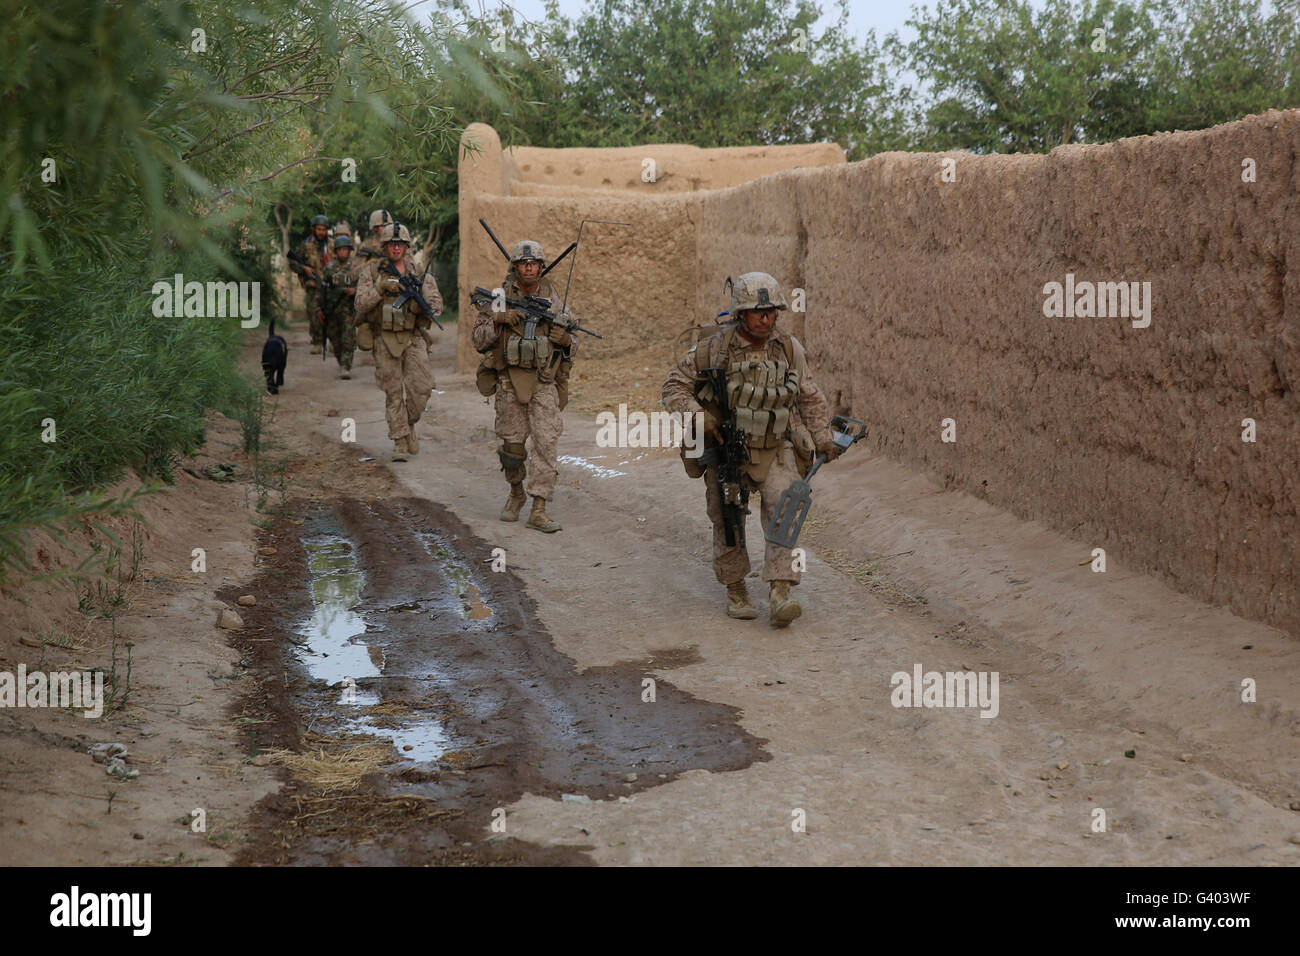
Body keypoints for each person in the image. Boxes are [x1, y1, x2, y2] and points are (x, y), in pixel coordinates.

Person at [661, 272, 839, 627]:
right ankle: (736, 587)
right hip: (727, 446)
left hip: (775, 445)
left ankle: (780, 591)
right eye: (759, 312)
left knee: (786, 506)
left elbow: (809, 395)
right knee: (727, 516)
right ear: (741, 313)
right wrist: (700, 417)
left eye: (772, 311)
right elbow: (672, 389)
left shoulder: (788, 348)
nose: (766, 319)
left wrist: (822, 436)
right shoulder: (712, 350)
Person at [471, 240, 577, 532]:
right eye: (523, 263)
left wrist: (566, 339)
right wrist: (498, 321)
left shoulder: (554, 301)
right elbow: (478, 340)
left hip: (544, 382)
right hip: (508, 381)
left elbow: (575, 341)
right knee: (512, 450)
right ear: (515, 267)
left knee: (546, 444)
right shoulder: (499, 298)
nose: (529, 267)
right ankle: (516, 492)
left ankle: (539, 507)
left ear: (541, 267)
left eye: (534, 263)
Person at [353, 221, 442, 460]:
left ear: (406, 246)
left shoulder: (418, 271)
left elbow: (436, 303)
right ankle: (400, 441)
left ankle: (409, 423)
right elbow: (360, 304)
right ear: (384, 246)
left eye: (400, 244)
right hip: (384, 338)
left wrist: (423, 308)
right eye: (391, 244)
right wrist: (380, 289)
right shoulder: (372, 272)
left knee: (422, 389)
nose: (395, 248)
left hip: (413, 337)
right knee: (393, 392)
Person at [289, 214, 331, 354]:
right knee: (314, 314)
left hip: (330, 285)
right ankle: (317, 341)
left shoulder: (331, 245)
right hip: (313, 285)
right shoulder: (306, 245)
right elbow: (293, 262)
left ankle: (331, 340)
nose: (321, 232)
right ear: (314, 229)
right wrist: (304, 269)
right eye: (319, 229)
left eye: (323, 229)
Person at [321, 234, 358, 379]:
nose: (343, 252)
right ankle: (340, 360)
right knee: (335, 339)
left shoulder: (355, 268)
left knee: (348, 338)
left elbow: (363, 286)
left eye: (346, 250)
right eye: (340, 250)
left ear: (349, 251)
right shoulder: (329, 268)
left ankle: (346, 366)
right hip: (332, 309)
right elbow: (322, 289)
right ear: (336, 251)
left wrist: (354, 291)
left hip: (348, 309)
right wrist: (320, 309)